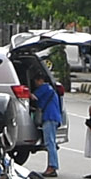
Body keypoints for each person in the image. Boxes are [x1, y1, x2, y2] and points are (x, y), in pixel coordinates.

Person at [9, 35, 59, 167]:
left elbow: (33, 97)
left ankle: (52, 166)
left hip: (50, 117)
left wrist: (27, 92)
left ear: (39, 80)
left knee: (50, 142)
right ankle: (52, 166)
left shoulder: (44, 88)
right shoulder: (49, 88)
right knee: (50, 142)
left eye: (36, 81)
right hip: (53, 117)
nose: (36, 84)